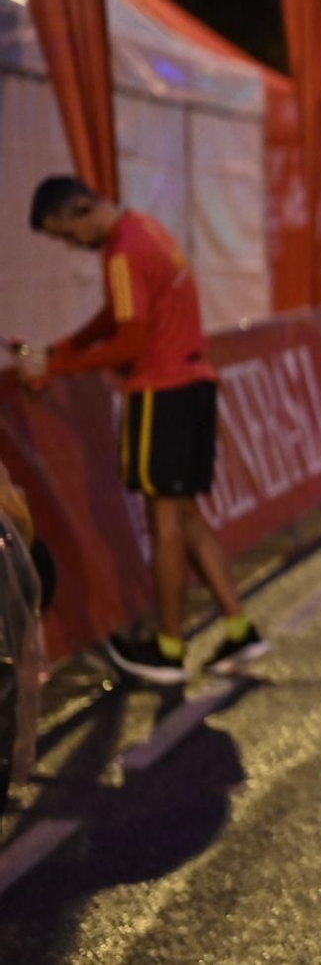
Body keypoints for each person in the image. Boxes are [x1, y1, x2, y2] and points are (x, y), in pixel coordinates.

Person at [27, 177, 269, 684]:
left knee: (164, 527)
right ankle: (240, 628)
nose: (70, 245)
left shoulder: (122, 252)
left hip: (163, 393)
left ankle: (169, 650)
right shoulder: (146, 230)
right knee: (186, 517)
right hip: (195, 384)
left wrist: (58, 368)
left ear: (79, 207)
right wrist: (67, 347)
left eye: (66, 233)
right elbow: (119, 313)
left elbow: (130, 341)